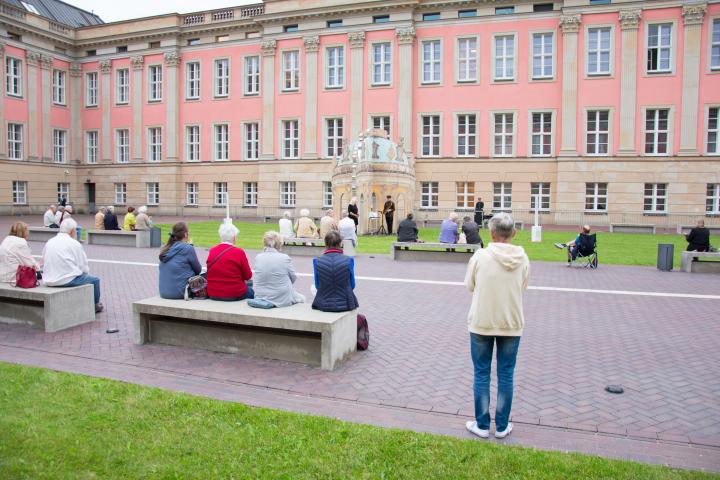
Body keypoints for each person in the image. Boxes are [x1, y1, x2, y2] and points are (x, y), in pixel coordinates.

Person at [464, 212, 529, 440]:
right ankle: (501, 426)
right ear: (514, 233)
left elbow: (469, 285)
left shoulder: (480, 256)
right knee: (506, 374)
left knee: (481, 373)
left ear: (492, 233)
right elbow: (523, 286)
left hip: (482, 322)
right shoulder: (523, 258)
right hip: (511, 322)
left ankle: (482, 424)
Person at [42, 219, 103, 313]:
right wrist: (83, 273)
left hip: (48, 278)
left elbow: (44, 259)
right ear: (72, 231)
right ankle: (95, 305)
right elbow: (83, 266)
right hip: (66, 279)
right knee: (95, 280)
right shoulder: (74, 243)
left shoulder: (50, 241)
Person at [252, 231, 306, 307]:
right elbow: (293, 278)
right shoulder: (284, 258)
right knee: (302, 298)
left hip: (260, 295)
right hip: (280, 297)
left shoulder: (258, 257)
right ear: (279, 244)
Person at [312, 230, 359, 312]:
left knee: (313, 287)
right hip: (347, 303)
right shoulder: (349, 260)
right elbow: (352, 285)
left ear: (325, 243)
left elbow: (317, 286)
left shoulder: (317, 261)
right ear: (340, 243)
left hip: (323, 304)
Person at [206, 223, 254, 301]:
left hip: (213, 292)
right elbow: (248, 276)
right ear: (234, 238)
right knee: (251, 291)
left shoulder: (212, 251)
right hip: (234, 293)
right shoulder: (239, 252)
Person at [158, 222, 202, 299]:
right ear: (185, 234)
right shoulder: (188, 248)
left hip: (164, 292)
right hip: (181, 293)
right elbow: (198, 270)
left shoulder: (165, 248)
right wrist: (189, 246)